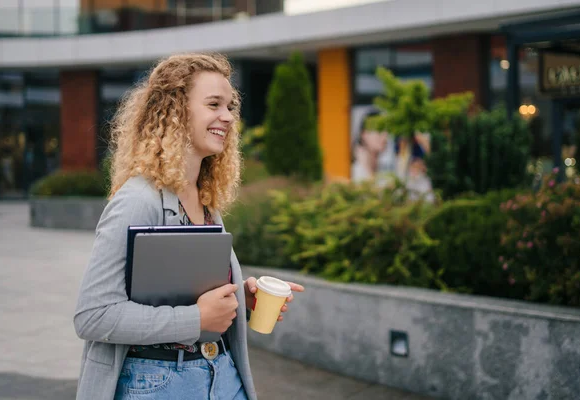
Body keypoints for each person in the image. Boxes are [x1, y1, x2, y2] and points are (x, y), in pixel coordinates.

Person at [73, 53, 304, 400]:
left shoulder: (206, 201)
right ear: (176, 110)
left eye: (230, 106)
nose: (227, 117)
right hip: (158, 383)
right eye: (214, 104)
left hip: (222, 375)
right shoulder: (138, 200)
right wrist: (196, 319)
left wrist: (238, 296)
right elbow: (92, 315)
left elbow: (177, 291)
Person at [351, 109, 395, 184]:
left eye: (386, 130)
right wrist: (368, 170)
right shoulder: (354, 172)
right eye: (379, 130)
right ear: (364, 134)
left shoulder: (385, 170)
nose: (385, 135)